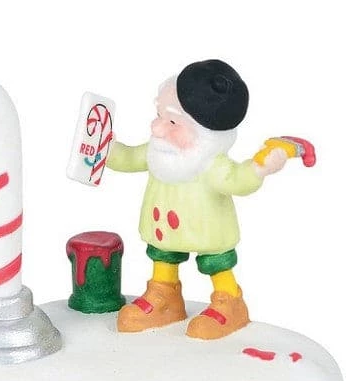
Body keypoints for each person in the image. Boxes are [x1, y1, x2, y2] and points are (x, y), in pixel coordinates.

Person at [107, 59, 288, 339]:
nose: (157, 128)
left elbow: (236, 179)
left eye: (172, 121)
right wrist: (107, 150)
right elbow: (129, 157)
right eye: (158, 115)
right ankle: (164, 294)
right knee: (162, 253)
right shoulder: (157, 153)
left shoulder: (211, 164)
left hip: (207, 228)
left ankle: (229, 300)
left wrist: (258, 169)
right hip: (164, 228)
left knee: (216, 261)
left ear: (204, 132)